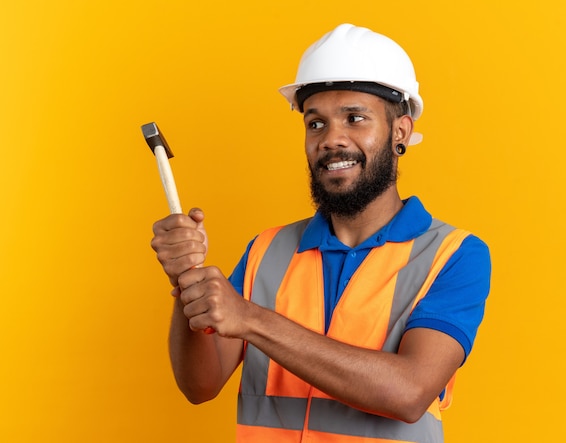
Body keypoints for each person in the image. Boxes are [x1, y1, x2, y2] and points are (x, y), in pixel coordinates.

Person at [151, 23, 491, 443]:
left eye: (355, 118)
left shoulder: (453, 255)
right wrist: (186, 285)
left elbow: (409, 392)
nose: (332, 139)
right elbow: (199, 386)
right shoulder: (266, 250)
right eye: (316, 123)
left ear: (400, 131)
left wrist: (252, 320)